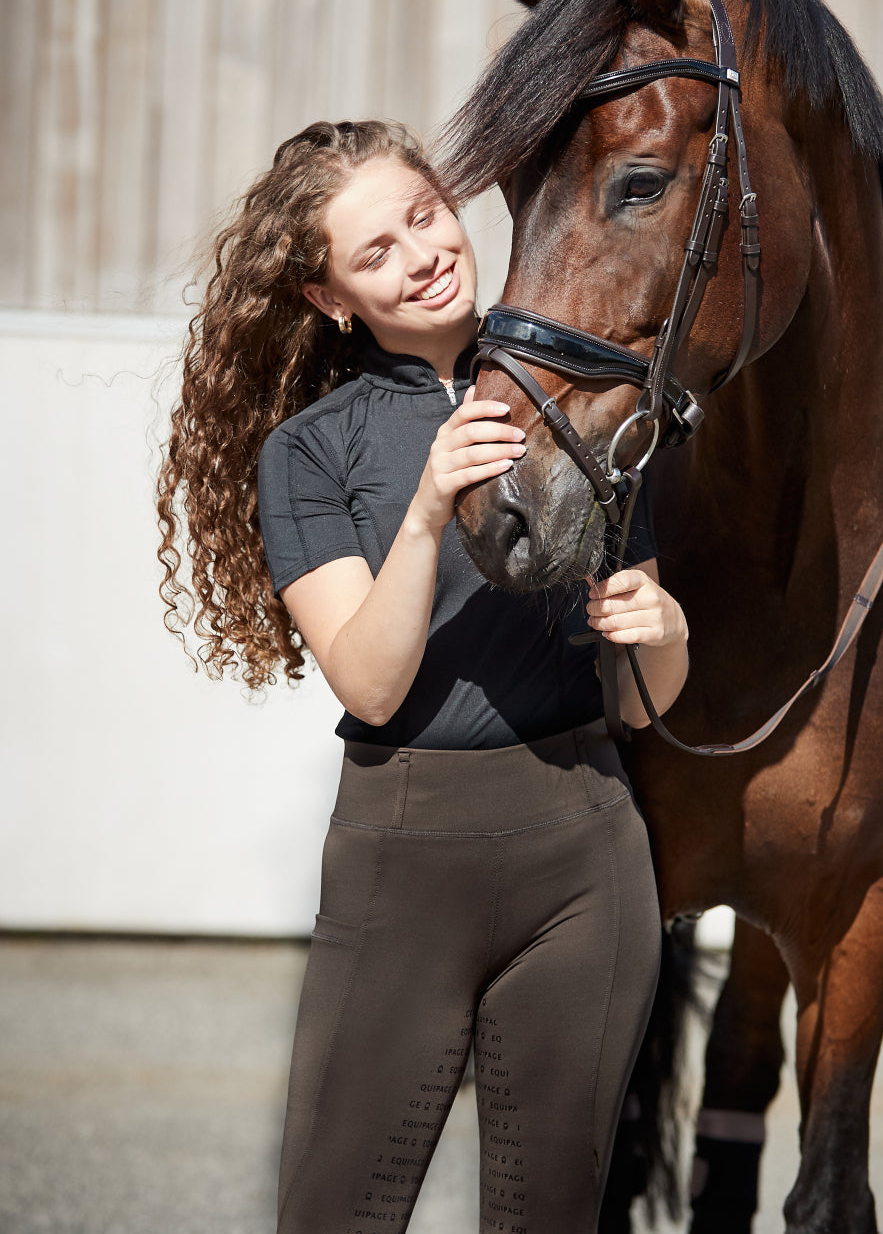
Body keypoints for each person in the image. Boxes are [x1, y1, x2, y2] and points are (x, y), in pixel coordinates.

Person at [157, 118, 689, 1233]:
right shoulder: (310, 450)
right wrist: (424, 511)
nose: (422, 253)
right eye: (376, 252)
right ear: (329, 298)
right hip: (405, 865)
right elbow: (370, 683)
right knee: (334, 1212)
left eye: (424, 216)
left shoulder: (585, 392)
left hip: (588, 850)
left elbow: (641, 701)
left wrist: (661, 628)